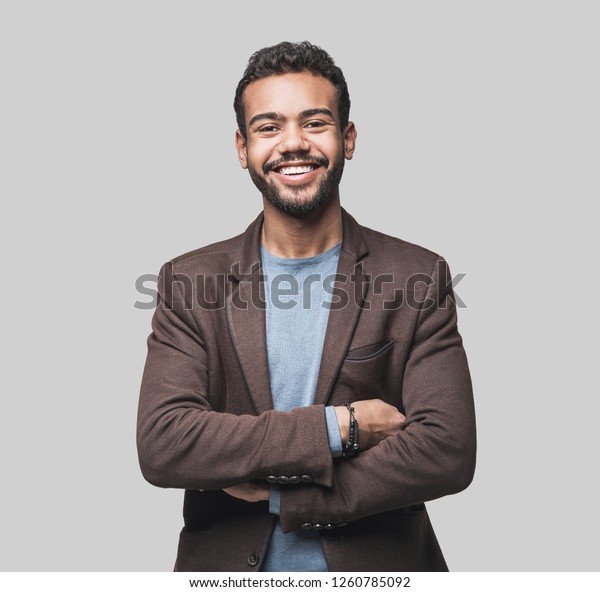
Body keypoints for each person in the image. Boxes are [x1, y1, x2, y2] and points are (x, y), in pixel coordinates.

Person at [137, 41, 476, 572]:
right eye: (268, 127)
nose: (292, 144)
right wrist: (341, 428)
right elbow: (165, 442)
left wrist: (284, 499)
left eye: (314, 123)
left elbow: (447, 450)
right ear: (242, 146)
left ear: (348, 138)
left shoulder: (416, 276)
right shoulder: (188, 281)